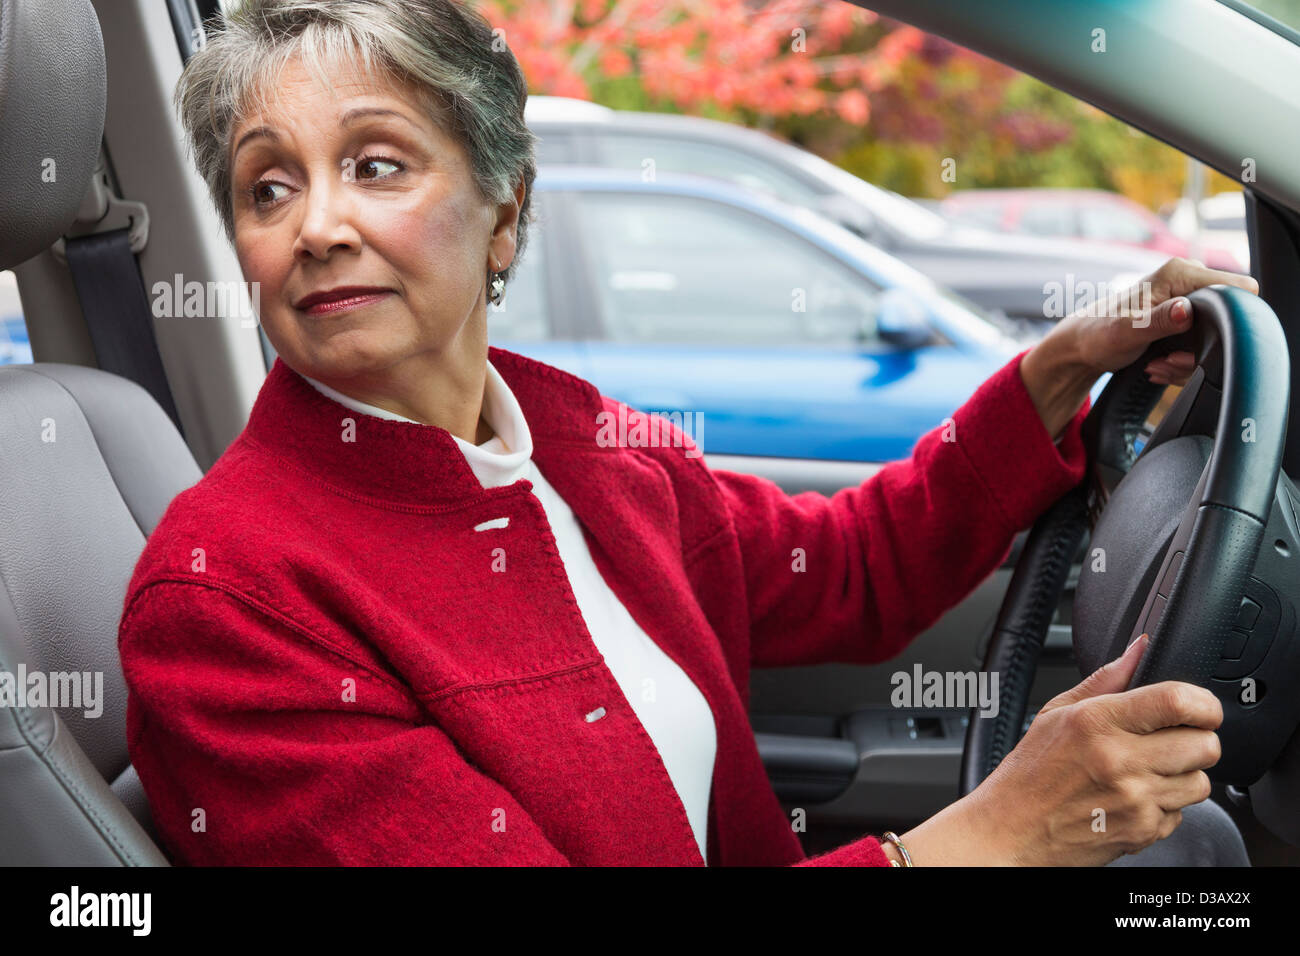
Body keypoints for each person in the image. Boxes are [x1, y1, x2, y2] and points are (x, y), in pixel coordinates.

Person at [118, 0, 1253, 866]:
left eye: (374, 165)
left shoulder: (572, 435)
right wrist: (979, 837)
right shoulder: (226, 600)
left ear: (503, 215)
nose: (315, 225)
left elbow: (847, 564)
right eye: (268, 188)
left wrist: (1057, 366)